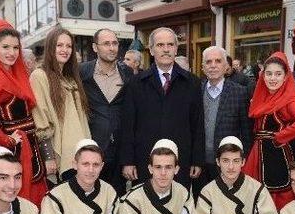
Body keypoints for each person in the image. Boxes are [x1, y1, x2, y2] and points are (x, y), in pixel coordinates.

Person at [120, 27, 203, 188]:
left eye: (170, 45)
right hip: (145, 161)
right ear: (151, 50)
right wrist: (128, 160)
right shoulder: (135, 84)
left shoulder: (192, 83)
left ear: (176, 49)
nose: (166, 49)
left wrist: (197, 159)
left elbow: (198, 124)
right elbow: (128, 125)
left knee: (177, 208)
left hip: (180, 161)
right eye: (160, 45)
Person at [0, 19, 47, 206]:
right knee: (22, 197)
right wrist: (5, 139)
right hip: (17, 148)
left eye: (16, 48)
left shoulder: (12, 73)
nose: (12, 53)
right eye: (5, 47)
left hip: (28, 143)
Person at [243, 51, 295, 209]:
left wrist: (281, 136)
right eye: (268, 74)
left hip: (277, 155)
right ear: (263, 76)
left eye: (277, 74)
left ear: (286, 76)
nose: (272, 78)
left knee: (277, 194)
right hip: (258, 152)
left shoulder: (289, 100)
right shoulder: (262, 96)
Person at [30, 26, 91, 182]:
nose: (65, 50)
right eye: (59, 45)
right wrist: (48, 156)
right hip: (60, 154)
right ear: (51, 47)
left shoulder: (70, 78)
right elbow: (40, 116)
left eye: (69, 46)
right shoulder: (39, 75)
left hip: (80, 152)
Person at [80, 28, 134, 195]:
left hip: (119, 150)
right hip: (92, 149)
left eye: (115, 43)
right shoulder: (82, 72)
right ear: (95, 47)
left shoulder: (127, 72)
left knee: (117, 197)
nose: (112, 48)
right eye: (106, 44)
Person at [194, 46, 252, 195]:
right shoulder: (194, 91)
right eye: (208, 62)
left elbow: (246, 132)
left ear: (226, 66)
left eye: (218, 61)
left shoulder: (239, 92)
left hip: (228, 165)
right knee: (201, 205)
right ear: (202, 67)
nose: (213, 65)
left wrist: (242, 162)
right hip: (200, 164)